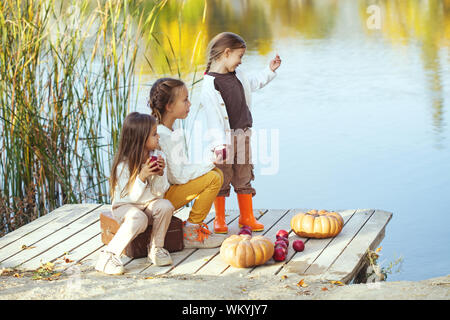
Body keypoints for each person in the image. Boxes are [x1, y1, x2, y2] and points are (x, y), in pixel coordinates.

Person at [201, 32, 282, 233]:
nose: (240, 61)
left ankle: (246, 217)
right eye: (239, 56)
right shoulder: (210, 84)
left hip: (243, 135)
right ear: (227, 53)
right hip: (223, 142)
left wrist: (269, 70)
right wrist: (219, 145)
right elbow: (213, 118)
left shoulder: (238, 75)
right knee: (222, 176)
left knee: (244, 174)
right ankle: (219, 219)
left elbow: (254, 83)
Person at [149, 78, 226, 248]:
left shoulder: (168, 130)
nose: (189, 104)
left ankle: (193, 226)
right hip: (159, 200)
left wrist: (210, 158)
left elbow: (181, 169)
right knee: (214, 178)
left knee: (216, 174)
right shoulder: (164, 135)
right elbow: (178, 176)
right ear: (169, 106)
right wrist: (210, 161)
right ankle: (191, 232)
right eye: (185, 100)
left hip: (167, 192)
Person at [95, 112, 174, 275]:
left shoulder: (158, 156)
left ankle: (156, 248)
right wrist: (142, 176)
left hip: (147, 205)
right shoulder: (123, 165)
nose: (158, 136)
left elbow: (160, 193)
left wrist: (159, 175)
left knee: (166, 206)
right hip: (125, 206)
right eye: (154, 134)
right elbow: (132, 197)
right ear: (140, 139)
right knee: (139, 218)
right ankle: (108, 255)